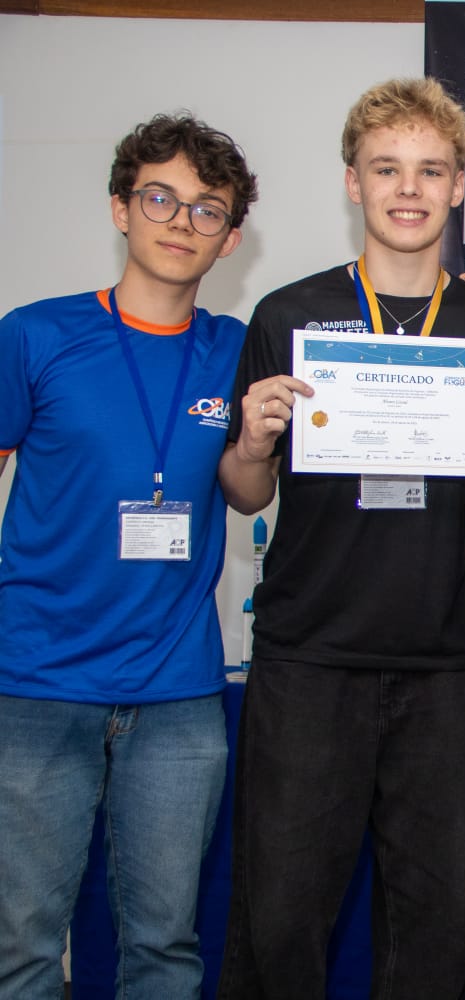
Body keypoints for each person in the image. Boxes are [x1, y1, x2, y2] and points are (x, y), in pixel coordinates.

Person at [214, 77, 465, 997]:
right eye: (386, 168)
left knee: (439, 926)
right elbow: (244, 493)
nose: (409, 188)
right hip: (308, 655)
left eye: (430, 170)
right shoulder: (287, 314)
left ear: (457, 187)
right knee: (281, 918)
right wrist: (252, 442)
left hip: (439, 662)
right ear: (353, 182)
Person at [0, 114, 256, 998]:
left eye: (208, 209)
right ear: (120, 208)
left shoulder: (235, 351)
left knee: (165, 948)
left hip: (177, 694)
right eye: (160, 198)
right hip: (37, 682)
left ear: (230, 238)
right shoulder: (34, 335)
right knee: (24, 948)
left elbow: (249, 492)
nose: (182, 222)